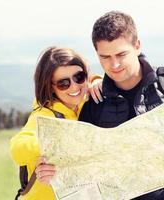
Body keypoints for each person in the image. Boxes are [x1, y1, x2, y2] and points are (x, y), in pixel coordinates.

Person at [77, 11, 164, 199]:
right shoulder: (93, 103)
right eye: (105, 57)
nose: (114, 64)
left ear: (137, 46)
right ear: (97, 54)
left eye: (121, 54)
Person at [9, 46, 102, 200]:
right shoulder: (44, 116)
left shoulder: (81, 102)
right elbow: (17, 149)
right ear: (50, 87)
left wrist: (97, 80)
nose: (74, 86)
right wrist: (53, 144)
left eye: (79, 77)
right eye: (63, 83)